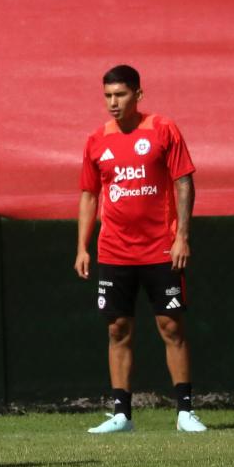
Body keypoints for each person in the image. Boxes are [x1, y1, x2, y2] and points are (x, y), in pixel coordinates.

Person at [75, 64, 207, 434]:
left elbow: (183, 182)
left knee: (170, 326)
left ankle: (184, 411)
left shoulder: (163, 129)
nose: (113, 103)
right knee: (118, 329)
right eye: (107, 96)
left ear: (138, 95)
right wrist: (82, 247)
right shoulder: (97, 140)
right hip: (115, 251)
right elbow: (89, 194)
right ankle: (122, 414)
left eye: (120, 95)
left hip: (161, 248)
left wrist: (182, 235)